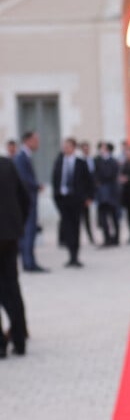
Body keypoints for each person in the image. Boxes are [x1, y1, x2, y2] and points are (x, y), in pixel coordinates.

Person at [0, 156, 30, 357]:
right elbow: (25, 198)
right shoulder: (7, 164)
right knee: (12, 286)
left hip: (9, 235)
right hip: (9, 236)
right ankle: (19, 338)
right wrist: (17, 225)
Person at [51, 137, 94, 267]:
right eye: (64, 146)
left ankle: (75, 255)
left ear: (73, 148)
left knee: (76, 227)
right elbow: (55, 180)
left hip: (76, 199)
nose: (65, 148)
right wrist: (57, 196)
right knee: (67, 227)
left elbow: (88, 181)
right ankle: (70, 255)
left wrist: (89, 197)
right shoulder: (59, 162)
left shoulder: (80, 163)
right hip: (63, 199)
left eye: (68, 146)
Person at [13, 131, 47, 272]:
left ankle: (30, 261)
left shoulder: (26, 156)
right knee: (28, 231)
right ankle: (28, 263)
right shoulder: (21, 157)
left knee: (30, 232)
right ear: (28, 140)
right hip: (27, 201)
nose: (38, 143)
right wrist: (35, 185)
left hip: (29, 199)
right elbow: (23, 180)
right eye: (35, 140)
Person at [94, 142, 121, 246]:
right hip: (102, 194)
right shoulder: (97, 160)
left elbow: (110, 174)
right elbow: (95, 175)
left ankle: (116, 238)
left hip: (112, 193)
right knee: (103, 217)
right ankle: (107, 238)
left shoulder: (113, 161)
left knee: (114, 216)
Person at [78, 141, 96, 245]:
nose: (86, 150)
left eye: (87, 149)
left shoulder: (92, 160)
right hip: (80, 195)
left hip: (88, 193)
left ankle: (90, 236)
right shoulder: (79, 162)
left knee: (87, 218)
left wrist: (90, 196)